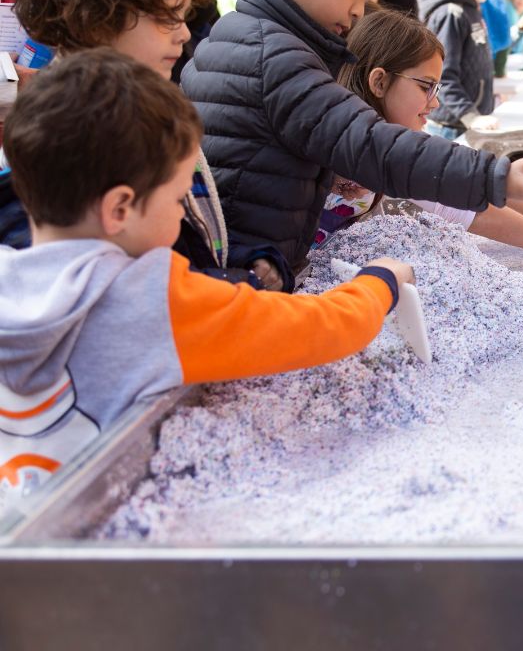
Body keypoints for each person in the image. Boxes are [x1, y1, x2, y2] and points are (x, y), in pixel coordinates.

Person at [0, 48, 413, 504]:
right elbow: (322, 328)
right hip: (81, 534)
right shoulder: (153, 295)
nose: (183, 218)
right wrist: (381, 281)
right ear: (119, 208)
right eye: (178, 200)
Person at [181, 0, 523, 286]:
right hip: (242, 277)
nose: (357, 11)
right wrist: (496, 176)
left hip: (244, 265)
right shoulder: (276, 57)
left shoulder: (243, 37)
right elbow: (376, 145)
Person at [10, 0, 289, 290]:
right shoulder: (64, 135)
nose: (185, 33)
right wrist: (222, 285)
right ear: (96, 16)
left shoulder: (146, 108)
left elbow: (193, 234)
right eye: (168, 18)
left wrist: (250, 258)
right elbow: (114, 287)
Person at [320, 7, 523, 267]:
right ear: (379, 82)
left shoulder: (383, 140)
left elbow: (464, 186)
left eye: (437, 88)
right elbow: (465, 207)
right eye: (425, 87)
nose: (434, 102)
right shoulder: (358, 147)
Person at [417, 0, 513, 138]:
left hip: (465, 124)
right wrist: (472, 117)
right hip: (451, 127)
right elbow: (442, 76)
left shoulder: (469, 9)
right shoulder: (451, 13)